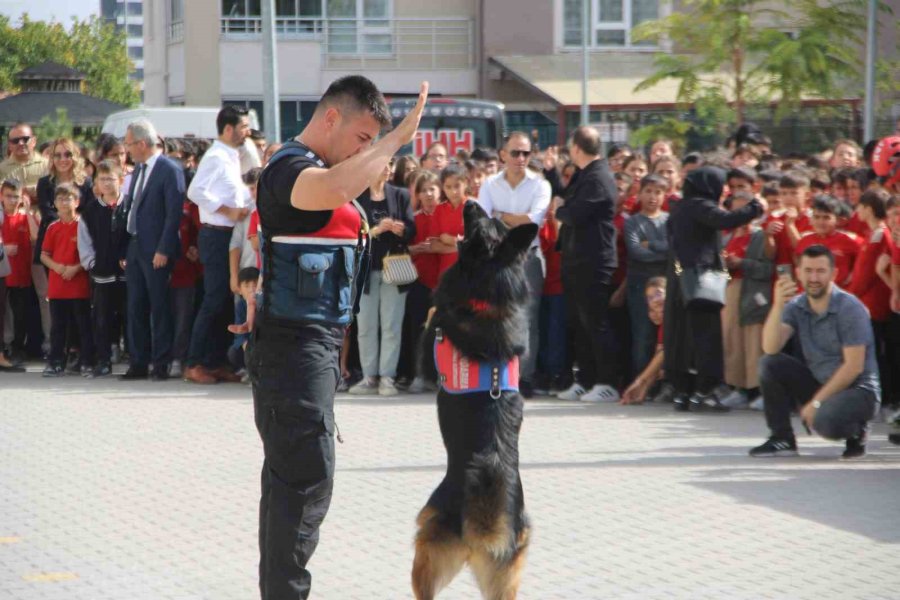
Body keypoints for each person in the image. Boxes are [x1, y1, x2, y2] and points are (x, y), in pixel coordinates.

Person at [246, 75, 427, 599]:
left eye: (373, 142)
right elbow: (328, 193)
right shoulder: (289, 167)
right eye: (363, 138)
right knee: (304, 482)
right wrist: (398, 138)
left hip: (311, 349)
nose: (368, 151)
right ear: (331, 118)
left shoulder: (322, 169)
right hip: (293, 350)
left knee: (294, 484)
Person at [750, 245, 881, 459]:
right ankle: (782, 438)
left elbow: (853, 367)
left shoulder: (850, 307)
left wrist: (816, 403)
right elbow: (770, 347)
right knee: (769, 363)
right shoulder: (795, 305)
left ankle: (857, 430)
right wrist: (777, 305)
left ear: (834, 273)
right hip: (822, 383)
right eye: (808, 270)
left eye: (820, 271)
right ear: (798, 273)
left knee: (823, 422)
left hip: (859, 391)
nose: (814, 277)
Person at [664, 166, 763, 411]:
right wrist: (755, 207)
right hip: (701, 281)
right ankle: (705, 392)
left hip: (681, 280)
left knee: (685, 338)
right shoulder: (699, 205)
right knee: (706, 337)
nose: (724, 191)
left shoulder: (680, 208)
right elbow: (725, 220)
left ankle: (684, 391)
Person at [476, 131, 551, 397]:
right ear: (503, 154)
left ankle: (525, 377)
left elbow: (534, 221)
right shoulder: (489, 184)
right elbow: (484, 222)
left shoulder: (540, 185)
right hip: (498, 258)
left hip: (528, 257)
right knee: (497, 315)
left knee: (528, 318)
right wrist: (510, 219)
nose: (521, 158)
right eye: (516, 153)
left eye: (526, 153)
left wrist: (502, 217)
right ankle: (498, 374)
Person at [184, 106, 253, 384]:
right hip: (216, 235)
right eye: (244, 126)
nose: (247, 132)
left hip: (230, 235)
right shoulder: (215, 156)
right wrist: (227, 210)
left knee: (226, 300)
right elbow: (194, 191)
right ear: (228, 128)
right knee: (213, 300)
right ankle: (194, 362)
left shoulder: (232, 156)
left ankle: (216, 361)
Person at [554, 126, 621, 403]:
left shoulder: (599, 177)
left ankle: (607, 381)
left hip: (594, 261)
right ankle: (586, 379)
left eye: (572, 146)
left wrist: (559, 209)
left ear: (578, 149)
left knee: (596, 322)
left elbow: (577, 213)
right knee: (578, 323)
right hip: (575, 259)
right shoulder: (585, 175)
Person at [120, 119, 186, 381]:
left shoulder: (169, 169)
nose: (127, 150)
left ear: (142, 143)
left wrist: (164, 249)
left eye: (128, 145)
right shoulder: (138, 169)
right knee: (134, 306)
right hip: (136, 245)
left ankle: (161, 363)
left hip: (156, 249)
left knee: (159, 308)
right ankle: (138, 362)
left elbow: (173, 214)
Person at [348, 160, 416, 397]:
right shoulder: (356, 197)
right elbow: (351, 231)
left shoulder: (400, 195)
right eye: (382, 163)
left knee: (391, 325)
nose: (387, 168)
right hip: (365, 270)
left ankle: (387, 376)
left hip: (394, 267)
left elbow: (412, 229)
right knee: (365, 326)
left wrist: (400, 228)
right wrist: (376, 230)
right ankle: (369, 376)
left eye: (389, 163)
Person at [35, 138, 94, 355]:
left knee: (79, 305)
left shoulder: (85, 182)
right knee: (58, 305)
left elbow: (88, 213)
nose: (63, 159)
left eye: (67, 154)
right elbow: (48, 213)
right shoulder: (45, 183)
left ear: (75, 157)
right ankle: (61, 351)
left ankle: (79, 350)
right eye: (58, 155)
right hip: (53, 247)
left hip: (79, 245)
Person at [721, 191, 774, 409]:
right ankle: (738, 387)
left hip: (754, 293)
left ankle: (760, 389)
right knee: (733, 341)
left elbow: (768, 269)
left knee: (755, 342)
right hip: (731, 291)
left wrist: (741, 263)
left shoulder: (761, 236)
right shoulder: (726, 236)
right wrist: (725, 267)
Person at [77, 159, 127, 377]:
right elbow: (84, 240)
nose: (106, 183)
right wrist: (92, 263)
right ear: (96, 183)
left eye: (111, 178)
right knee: (102, 319)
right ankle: (104, 360)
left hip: (127, 274)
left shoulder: (130, 206)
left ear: (121, 180)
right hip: (102, 274)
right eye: (102, 179)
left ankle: (136, 358)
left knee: (130, 317)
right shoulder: (90, 210)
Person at [847, 189, 895, 407]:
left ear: (868, 208)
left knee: (876, 352)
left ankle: (883, 397)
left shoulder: (879, 234)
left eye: (860, 206)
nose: (857, 210)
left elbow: (866, 273)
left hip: (873, 303)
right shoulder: (873, 233)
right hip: (866, 301)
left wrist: (851, 296)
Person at [40, 183, 94, 377]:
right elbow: (43, 255)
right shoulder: (52, 227)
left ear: (77, 202)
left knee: (83, 325)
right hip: (57, 285)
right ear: (54, 203)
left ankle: (87, 361)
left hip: (78, 284)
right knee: (58, 327)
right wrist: (57, 267)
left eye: (68, 198)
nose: (64, 202)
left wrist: (75, 268)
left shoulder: (83, 225)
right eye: (60, 199)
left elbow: (89, 254)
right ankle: (55, 362)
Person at [623, 174, 669, 376]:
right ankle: (640, 380)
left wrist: (651, 245)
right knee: (643, 335)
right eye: (648, 191)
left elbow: (674, 249)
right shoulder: (632, 223)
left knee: (665, 336)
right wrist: (662, 254)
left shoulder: (669, 221)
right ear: (639, 194)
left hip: (666, 284)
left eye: (658, 192)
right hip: (640, 285)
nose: (653, 197)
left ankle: (663, 381)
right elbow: (635, 252)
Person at [402, 171, 441, 393]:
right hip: (419, 281)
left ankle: (440, 374)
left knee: (441, 332)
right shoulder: (413, 219)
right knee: (418, 331)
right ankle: (418, 373)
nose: (428, 194)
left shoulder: (445, 215)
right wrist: (418, 248)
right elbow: (403, 249)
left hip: (443, 282)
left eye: (432, 189)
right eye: (423, 190)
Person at [794, 195, 861, 287]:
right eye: (817, 217)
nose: (821, 222)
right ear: (811, 219)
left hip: (838, 296)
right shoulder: (804, 241)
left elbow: (864, 266)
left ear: (837, 220)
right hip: (809, 295)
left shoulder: (850, 240)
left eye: (826, 218)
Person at [621, 277, 667, 404]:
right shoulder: (662, 327)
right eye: (650, 298)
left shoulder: (674, 319)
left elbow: (664, 352)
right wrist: (644, 388)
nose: (655, 302)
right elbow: (658, 357)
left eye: (658, 295)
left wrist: (640, 381)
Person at [1, 178, 32, 365]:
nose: (12, 200)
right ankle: (4, 347)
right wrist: (4, 249)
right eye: (8, 196)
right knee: (4, 314)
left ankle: (18, 347)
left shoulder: (24, 217)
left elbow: (36, 236)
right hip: (3, 274)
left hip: (21, 273)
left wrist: (28, 211)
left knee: (20, 314)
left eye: (16, 197)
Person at [431, 163, 470, 276]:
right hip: (446, 272)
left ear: (465, 184)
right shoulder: (439, 210)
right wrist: (460, 245)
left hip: (471, 272)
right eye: (448, 187)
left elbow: (478, 245)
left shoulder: (474, 207)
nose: (453, 191)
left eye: (457, 186)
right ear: (442, 187)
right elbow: (433, 245)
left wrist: (450, 240)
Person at [0, 123, 48, 201]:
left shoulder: (47, 165)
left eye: (25, 139)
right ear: (9, 145)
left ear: (34, 141)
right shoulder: (2, 169)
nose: (21, 143)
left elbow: (53, 190)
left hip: (42, 212)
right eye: (15, 141)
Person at [228, 266, 259, 373]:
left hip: (263, 343)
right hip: (249, 344)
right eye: (247, 286)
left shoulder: (266, 306)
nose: (251, 289)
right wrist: (246, 345)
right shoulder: (240, 305)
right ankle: (247, 369)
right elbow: (239, 335)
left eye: (255, 285)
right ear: (240, 290)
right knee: (233, 352)